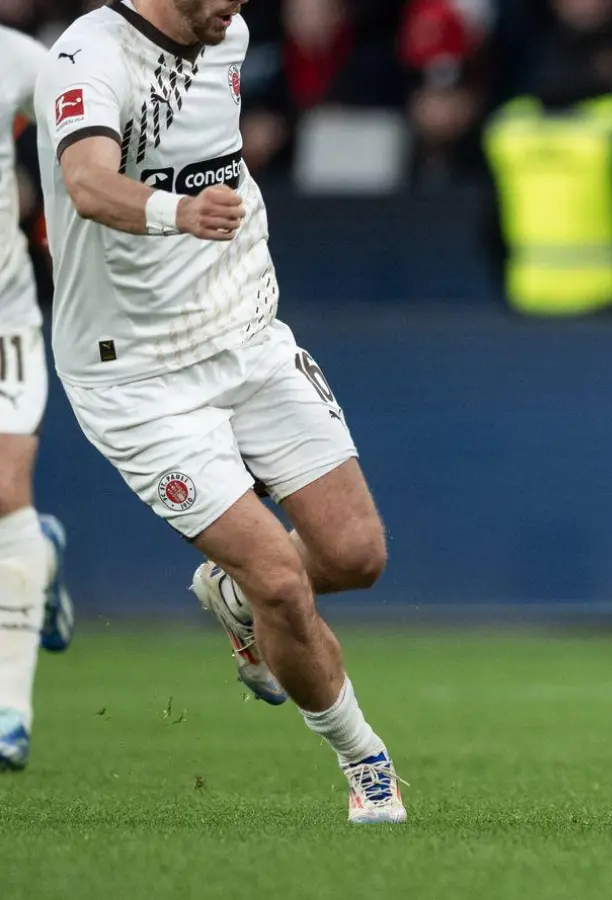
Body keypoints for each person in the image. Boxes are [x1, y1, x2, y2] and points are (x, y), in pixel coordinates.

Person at [34, 0, 404, 821]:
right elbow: (87, 183)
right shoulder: (91, 56)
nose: (237, 7)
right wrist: (178, 213)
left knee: (355, 555)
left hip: (245, 335)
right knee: (279, 576)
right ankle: (366, 766)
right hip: (135, 377)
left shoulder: (226, 34)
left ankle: (230, 599)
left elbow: (206, 154)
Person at [0, 24, 74, 772]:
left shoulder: (18, 59)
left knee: (2, 491)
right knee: (13, 522)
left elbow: (86, 126)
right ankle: (36, 555)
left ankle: (9, 711)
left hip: (4, 318)